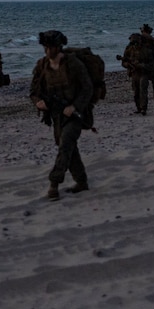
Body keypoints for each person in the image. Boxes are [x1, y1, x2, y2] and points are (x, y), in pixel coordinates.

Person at [30, 30, 93, 200]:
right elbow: (33, 91)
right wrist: (38, 102)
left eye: (51, 47)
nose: (48, 51)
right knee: (69, 148)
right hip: (55, 116)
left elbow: (87, 88)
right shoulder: (42, 65)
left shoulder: (73, 64)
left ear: (59, 47)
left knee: (65, 145)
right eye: (46, 47)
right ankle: (82, 181)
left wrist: (75, 106)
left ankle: (54, 184)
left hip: (75, 115)